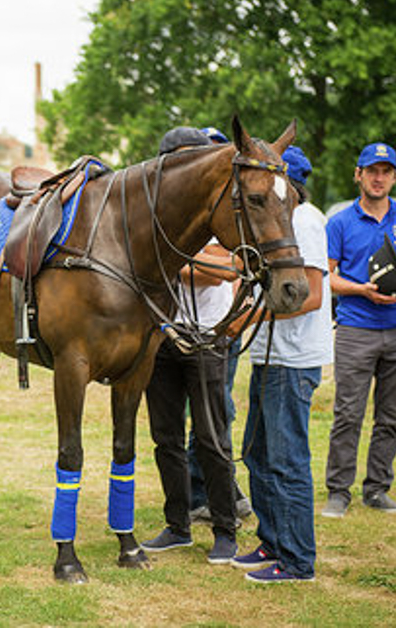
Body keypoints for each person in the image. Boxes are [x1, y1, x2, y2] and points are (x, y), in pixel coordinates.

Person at [230, 146, 332, 583]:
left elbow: (309, 295)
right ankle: (272, 541)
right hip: (271, 354)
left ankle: (296, 561)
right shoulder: (281, 219)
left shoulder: (305, 220)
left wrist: (244, 320)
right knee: (257, 454)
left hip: (293, 360)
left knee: (287, 460)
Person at [321, 142, 396, 518]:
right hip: (357, 328)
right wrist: (361, 290)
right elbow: (326, 277)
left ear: (395, 177)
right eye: (372, 170)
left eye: (386, 171)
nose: (378, 177)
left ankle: (377, 489)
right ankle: (338, 492)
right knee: (348, 413)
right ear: (358, 174)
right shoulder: (339, 222)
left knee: (391, 416)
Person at [142, 126, 239, 564]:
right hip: (162, 334)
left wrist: (171, 261)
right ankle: (177, 526)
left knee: (210, 438)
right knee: (165, 438)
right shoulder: (156, 214)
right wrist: (185, 262)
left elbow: (229, 267)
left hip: (207, 337)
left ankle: (225, 529)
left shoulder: (214, 210)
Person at [188, 127, 252, 524]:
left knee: (218, 413)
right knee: (208, 415)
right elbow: (219, 271)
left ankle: (214, 487)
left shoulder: (228, 215)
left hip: (223, 325)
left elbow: (235, 266)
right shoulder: (194, 217)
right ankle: (203, 492)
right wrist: (219, 266)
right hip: (191, 329)